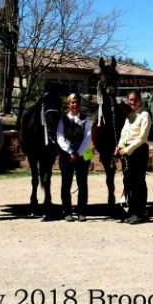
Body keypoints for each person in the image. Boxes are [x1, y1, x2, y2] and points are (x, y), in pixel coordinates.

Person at [115, 90, 151, 224]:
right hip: (126, 152)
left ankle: (139, 213)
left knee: (139, 182)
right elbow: (124, 134)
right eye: (130, 100)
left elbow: (142, 137)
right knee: (128, 181)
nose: (133, 102)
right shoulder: (129, 116)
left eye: (135, 100)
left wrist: (127, 150)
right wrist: (119, 147)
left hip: (139, 150)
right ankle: (132, 211)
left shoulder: (145, 115)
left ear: (140, 101)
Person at [57, 93, 92, 221]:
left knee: (83, 183)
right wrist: (71, 152)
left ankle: (81, 212)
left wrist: (79, 153)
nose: (75, 104)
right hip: (67, 155)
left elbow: (89, 137)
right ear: (68, 104)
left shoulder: (86, 119)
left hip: (85, 153)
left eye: (77, 102)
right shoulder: (62, 120)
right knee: (66, 183)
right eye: (72, 102)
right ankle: (67, 212)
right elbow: (60, 137)